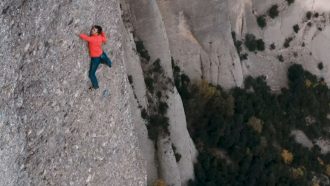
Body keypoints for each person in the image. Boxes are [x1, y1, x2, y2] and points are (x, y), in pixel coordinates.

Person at [79, 25, 112, 90]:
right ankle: (109, 63)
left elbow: (86, 38)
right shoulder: (100, 37)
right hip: (102, 54)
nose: (92, 30)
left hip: (95, 58)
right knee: (106, 60)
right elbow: (105, 39)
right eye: (92, 29)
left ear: (97, 33)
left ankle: (95, 86)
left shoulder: (93, 39)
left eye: (94, 30)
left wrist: (78, 33)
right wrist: (102, 32)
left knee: (91, 74)